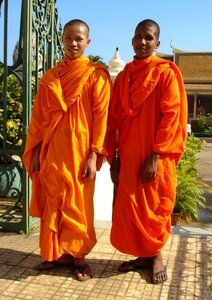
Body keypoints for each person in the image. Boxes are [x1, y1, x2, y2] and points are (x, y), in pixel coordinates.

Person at [23, 19, 111, 281]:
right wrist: (37, 151)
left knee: (78, 206)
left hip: (81, 153)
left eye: (79, 39)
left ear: (88, 42)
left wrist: (94, 154)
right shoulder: (50, 78)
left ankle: (79, 258)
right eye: (68, 38)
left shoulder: (96, 75)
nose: (73, 43)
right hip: (51, 151)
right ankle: (56, 255)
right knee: (54, 202)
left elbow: (101, 117)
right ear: (62, 39)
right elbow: (38, 119)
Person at [108, 19, 187, 284]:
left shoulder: (166, 72)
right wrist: (115, 158)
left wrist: (155, 156)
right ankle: (141, 255)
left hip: (156, 154)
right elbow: (115, 120)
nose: (142, 42)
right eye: (138, 36)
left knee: (155, 206)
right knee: (131, 207)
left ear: (157, 43)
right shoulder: (125, 75)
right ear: (132, 40)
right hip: (129, 153)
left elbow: (171, 116)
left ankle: (155, 256)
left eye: (148, 38)